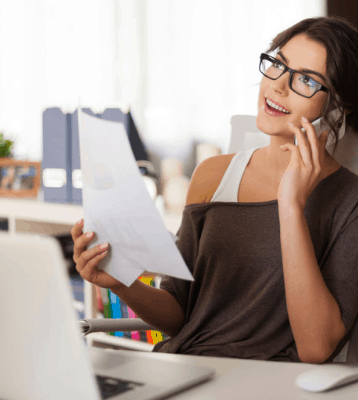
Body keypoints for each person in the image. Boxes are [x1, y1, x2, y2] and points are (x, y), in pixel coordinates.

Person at [71, 16, 358, 364]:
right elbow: (180, 316)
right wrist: (117, 281)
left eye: (307, 81)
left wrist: (291, 206)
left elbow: (316, 348)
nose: (279, 86)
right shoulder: (212, 176)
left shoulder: (350, 201)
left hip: (270, 383)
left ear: (337, 109)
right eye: (278, 65)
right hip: (188, 368)